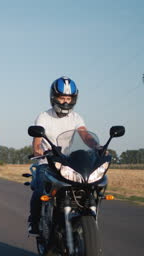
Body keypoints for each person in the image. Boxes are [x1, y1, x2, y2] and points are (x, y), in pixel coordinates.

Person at [28, 76, 99, 235]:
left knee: (86, 186)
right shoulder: (44, 117)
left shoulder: (76, 117)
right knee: (40, 189)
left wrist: (97, 146)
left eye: (69, 98)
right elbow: (37, 140)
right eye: (62, 97)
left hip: (67, 162)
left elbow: (85, 135)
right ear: (54, 97)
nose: (66, 102)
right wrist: (38, 151)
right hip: (47, 161)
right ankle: (33, 221)